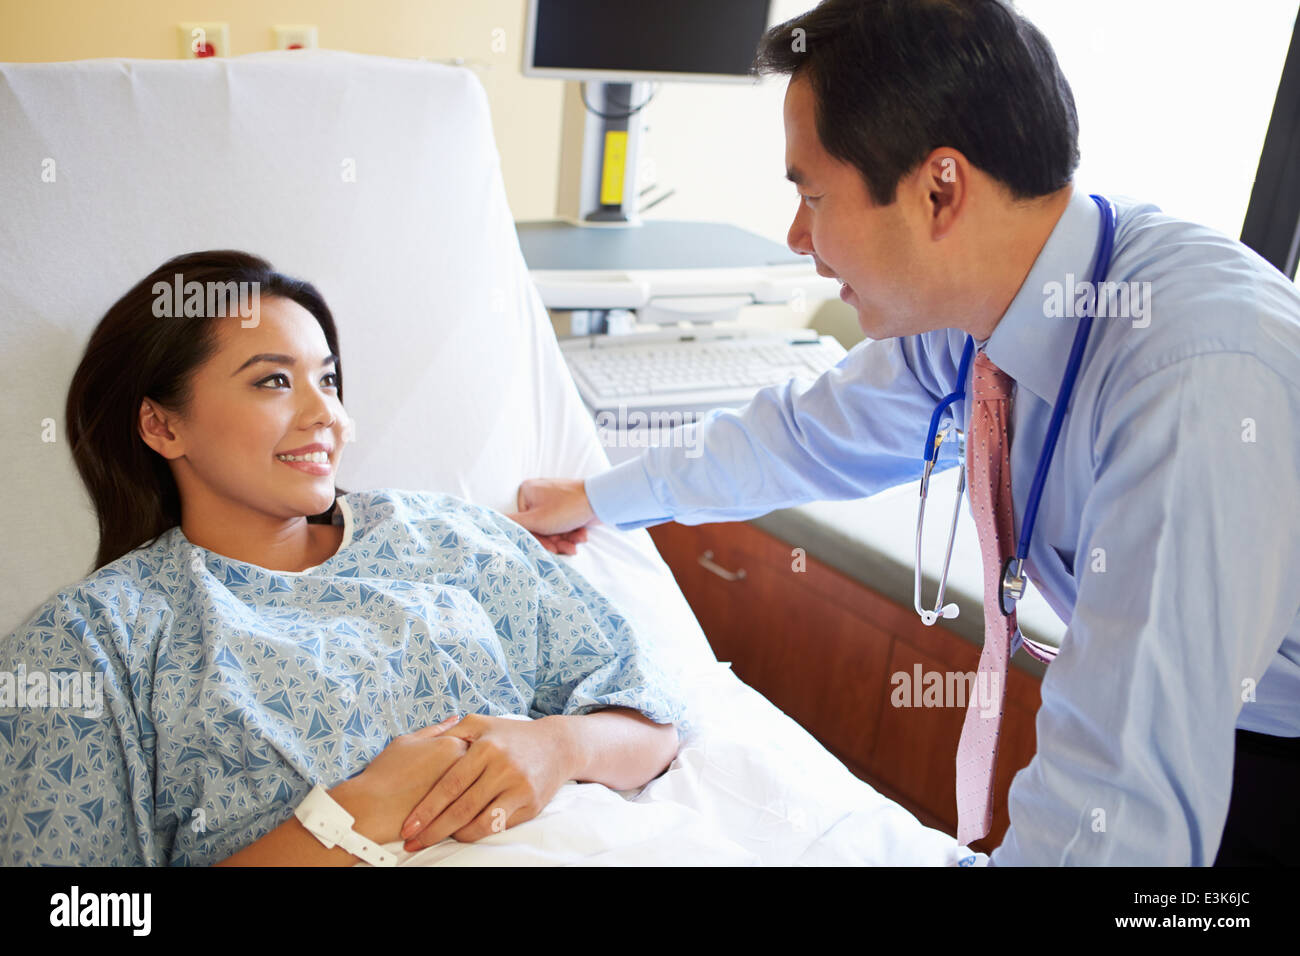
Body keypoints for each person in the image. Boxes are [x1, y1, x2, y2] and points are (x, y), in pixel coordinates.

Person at [508, 0, 1300, 865]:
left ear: (939, 190)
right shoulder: (974, 310)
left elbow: (1118, 791)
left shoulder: (1190, 382)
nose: (798, 236)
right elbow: (805, 436)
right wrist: (599, 498)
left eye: (812, 195)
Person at [0, 250, 687, 866]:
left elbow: (652, 717)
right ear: (162, 424)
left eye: (327, 380)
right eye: (273, 382)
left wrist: (558, 747)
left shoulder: (445, 536)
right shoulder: (94, 644)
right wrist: (350, 817)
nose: (326, 412)